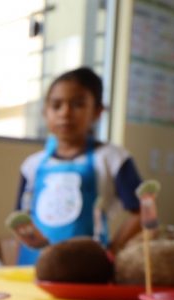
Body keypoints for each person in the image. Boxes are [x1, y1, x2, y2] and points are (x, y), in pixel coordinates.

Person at [14, 67, 143, 265]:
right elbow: (21, 219)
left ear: (98, 111)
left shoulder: (113, 158)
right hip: (32, 267)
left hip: (86, 269)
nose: (65, 113)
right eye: (56, 105)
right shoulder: (31, 165)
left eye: (77, 104)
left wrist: (112, 250)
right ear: (44, 112)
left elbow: (143, 213)